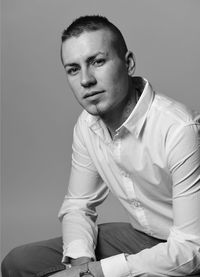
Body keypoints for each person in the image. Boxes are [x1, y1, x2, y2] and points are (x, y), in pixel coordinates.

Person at [1, 15, 200, 277]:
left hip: (189, 248)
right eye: (73, 69)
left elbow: (190, 249)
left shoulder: (180, 129)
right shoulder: (87, 125)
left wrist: (96, 272)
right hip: (143, 238)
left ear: (128, 63)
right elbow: (78, 206)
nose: (86, 80)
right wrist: (81, 264)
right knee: (19, 261)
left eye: (97, 62)